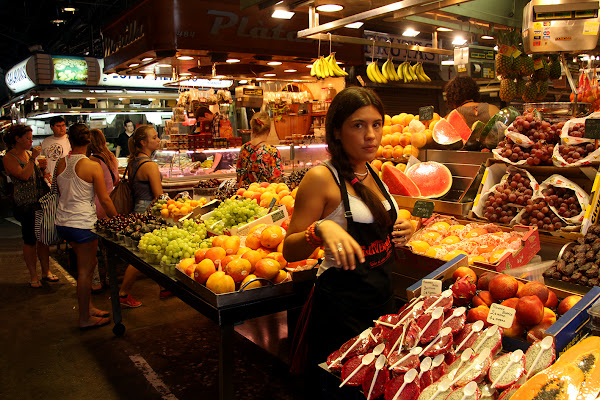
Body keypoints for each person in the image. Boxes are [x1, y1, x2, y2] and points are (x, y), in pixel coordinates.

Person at [282, 87, 414, 374]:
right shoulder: (321, 177)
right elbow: (289, 250)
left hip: (381, 302)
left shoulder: (373, 172)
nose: (371, 135)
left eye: (376, 124)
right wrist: (320, 229)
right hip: (340, 312)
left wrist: (404, 225)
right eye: (358, 125)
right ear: (337, 132)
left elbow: (377, 223)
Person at [55, 124, 117, 329]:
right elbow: (105, 200)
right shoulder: (91, 165)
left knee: (83, 270)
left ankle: (88, 307)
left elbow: (58, 191)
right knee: (86, 271)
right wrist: (117, 220)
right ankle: (84, 318)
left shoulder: (61, 164)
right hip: (82, 224)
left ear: (69, 140)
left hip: (62, 221)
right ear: (88, 141)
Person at [118, 125, 169, 307]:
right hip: (149, 212)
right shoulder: (150, 165)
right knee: (141, 256)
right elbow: (159, 196)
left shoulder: (134, 162)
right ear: (143, 142)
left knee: (158, 248)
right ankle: (123, 293)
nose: (158, 140)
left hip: (137, 210)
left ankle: (164, 286)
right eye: (154, 137)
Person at [3, 124, 57, 288]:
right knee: (30, 240)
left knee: (44, 239)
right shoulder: (9, 157)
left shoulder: (28, 154)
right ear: (17, 139)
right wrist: (33, 159)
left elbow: (39, 176)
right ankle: (33, 275)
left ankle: (46, 271)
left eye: (31, 137)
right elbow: (23, 176)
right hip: (26, 205)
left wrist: (42, 169)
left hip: (40, 202)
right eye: (27, 138)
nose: (31, 140)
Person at [87, 129, 119, 292]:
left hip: (97, 203)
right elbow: (117, 180)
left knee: (93, 247)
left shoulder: (91, 161)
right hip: (111, 202)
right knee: (109, 246)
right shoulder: (111, 157)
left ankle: (95, 281)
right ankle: (110, 277)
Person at [236, 112, 282, 187]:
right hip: (266, 195)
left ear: (253, 130)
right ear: (269, 130)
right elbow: (277, 182)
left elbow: (239, 177)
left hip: (247, 195)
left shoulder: (244, 148)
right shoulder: (272, 151)